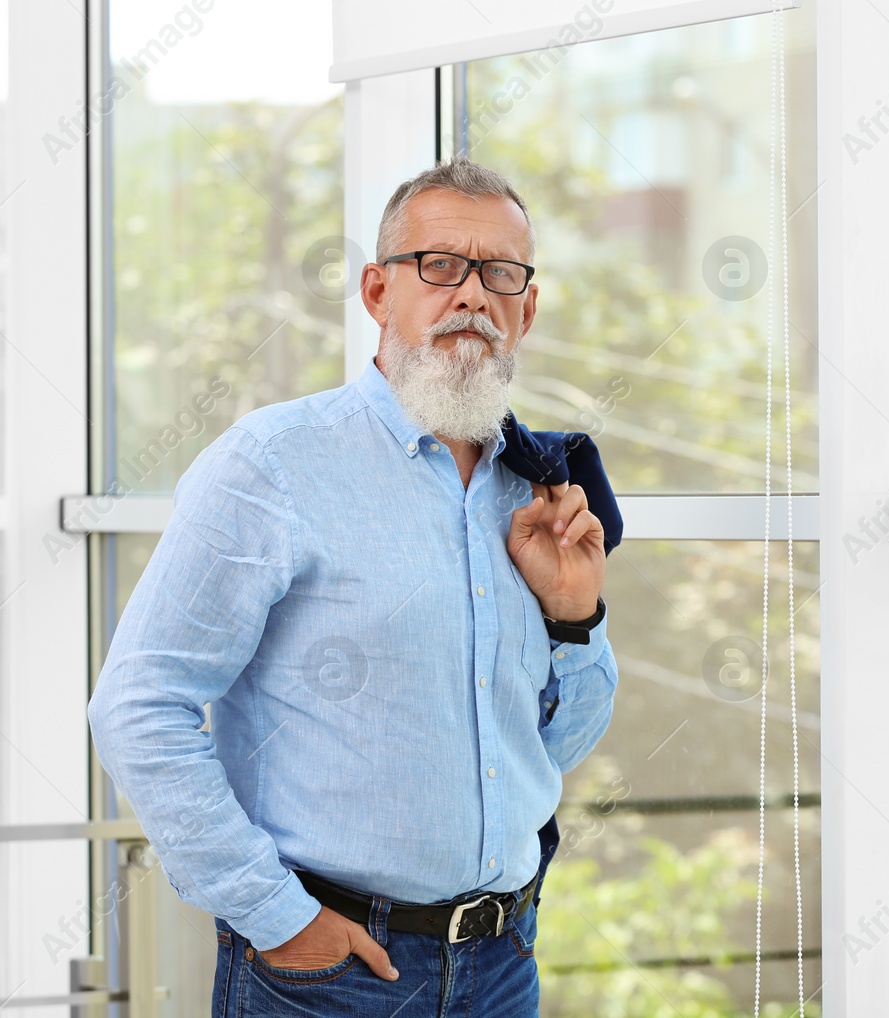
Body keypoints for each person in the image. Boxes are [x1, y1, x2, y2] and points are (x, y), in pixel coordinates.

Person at [88, 158, 619, 1015]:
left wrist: (574, 616)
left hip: (503, 966)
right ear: (379, 292)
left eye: (500, 274)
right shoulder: (270, 466)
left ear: (527, 306)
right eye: (439, 266)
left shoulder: (539, 492)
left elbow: (551, 747)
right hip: (330, 976)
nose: (472, 296)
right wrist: (277, 918)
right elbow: (139, 704)